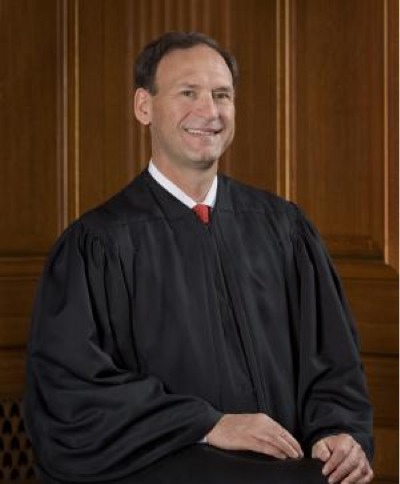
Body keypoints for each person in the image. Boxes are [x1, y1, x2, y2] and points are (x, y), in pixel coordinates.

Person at [25, 32, 374, 484]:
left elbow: (332, 361)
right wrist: (208, 424)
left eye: (222, 95)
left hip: (287, 471)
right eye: (188, 93)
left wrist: (337, 430)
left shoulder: (283, 228)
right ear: (144, 107)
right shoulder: (97, 245)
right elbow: (70, 393)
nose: (209, 111)